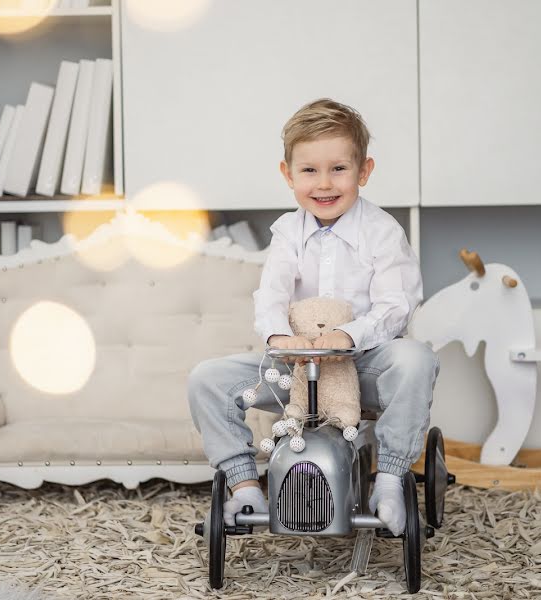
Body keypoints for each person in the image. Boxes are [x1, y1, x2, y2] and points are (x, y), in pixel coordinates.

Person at [187, 98, 439, 536]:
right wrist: (279, 337)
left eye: (339, 169)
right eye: (309, 171)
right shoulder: (287, 232)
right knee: (206, 379)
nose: (324, 184)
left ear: (364, 171)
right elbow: (271, 293)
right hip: (297, 369)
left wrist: (349, 335)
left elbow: (398, 302)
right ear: (288, 174)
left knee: (417, 358)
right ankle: (245, 489)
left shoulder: (381, 231)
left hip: (363, 366)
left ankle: (390, 480)